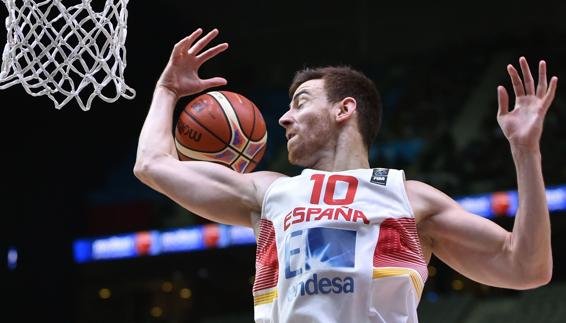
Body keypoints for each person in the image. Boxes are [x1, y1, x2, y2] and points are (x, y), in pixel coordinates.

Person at [134, 28, 557, 323]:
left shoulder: (408, 198)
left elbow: (526, 267)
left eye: (300, 102)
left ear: (344, 109)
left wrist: (526, 151)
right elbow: (152, 165)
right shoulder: (269, 193)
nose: (283, 117)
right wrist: (167, 90)